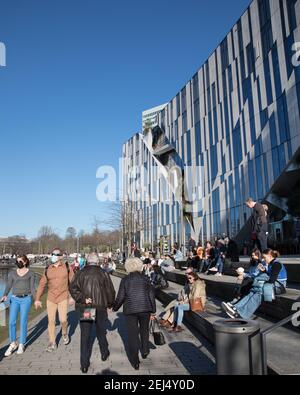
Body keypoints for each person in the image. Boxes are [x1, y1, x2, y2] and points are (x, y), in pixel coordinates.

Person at [69, 252, 116, 373]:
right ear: (97, 261)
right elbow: (110, 291)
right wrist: (110, 304)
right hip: (101, 306)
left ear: (87, 261)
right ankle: (104, 353)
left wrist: (82, 298)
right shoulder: (103, 273)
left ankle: (84, 364)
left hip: (86, 307)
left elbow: (73, 288)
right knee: (101, 331)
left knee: (85, 335)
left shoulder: (80, 273)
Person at [113, 258, 156, 370]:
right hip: (145, 309)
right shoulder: (146, 278)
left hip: (130, 310)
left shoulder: (125, 280)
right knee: (144, 330)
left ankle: (135, 361)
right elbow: (151, 295)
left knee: (132, 335)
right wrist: (153, 310)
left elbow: (121, 297)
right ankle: (145, 350)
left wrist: (114, 307)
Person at [222, 249, 287, 320]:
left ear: (270, 256)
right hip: (273, 284)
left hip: (279, 286)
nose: (263, 259)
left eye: (264, 257)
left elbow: (272, 279)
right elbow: (270, 276)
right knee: (253, 290)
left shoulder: (276, 264)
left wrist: (260, 281)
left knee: (259, 292)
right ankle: (236, 307)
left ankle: (242, 314)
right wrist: (264, 270)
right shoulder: (271, 264)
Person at [34, 248, 74, 353]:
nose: (53, 256)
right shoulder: (47, 269)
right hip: (51, 298)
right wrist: (37, 299)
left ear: (60, 256)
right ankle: (52, 342)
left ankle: (65, 333)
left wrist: (72, 296)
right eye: (52, 254)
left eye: (55, 254)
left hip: (63, 297)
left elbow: (73, 283)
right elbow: (42, 285)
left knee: (63, 320)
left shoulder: (67, 267)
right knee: (51, 321)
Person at [0, 255, 36, 356]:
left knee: (23, 322)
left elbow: (33, 288)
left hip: (26, 299)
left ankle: (21, 344)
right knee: (12, 322)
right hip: (14, 299)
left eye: (20, 261)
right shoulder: (12, 273)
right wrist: (5, 295)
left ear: (25, 262)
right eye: (17, 261)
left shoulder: (31, 273)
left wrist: (36, 299)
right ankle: (12, 343)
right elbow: (8, 285)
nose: (18, 263)